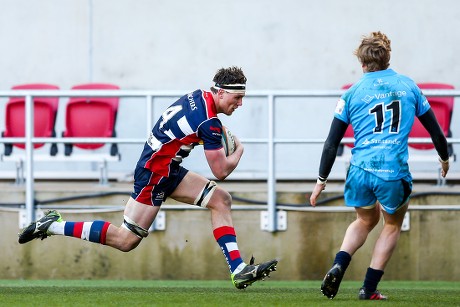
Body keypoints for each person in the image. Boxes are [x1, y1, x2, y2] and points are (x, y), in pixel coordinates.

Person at [18, 66, 278, 289]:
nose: (240, 104)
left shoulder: (198, 96)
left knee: (220, 200)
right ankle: (51, 225)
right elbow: (221, 171)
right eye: (237, 97)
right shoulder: (208, 122)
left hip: (166, 167)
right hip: (155, 172)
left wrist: (215, 133)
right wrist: (239, 150)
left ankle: (238, 269)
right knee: (125, 240)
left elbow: (192, 129)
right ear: (220, 92)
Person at [310, 32, 450, 300]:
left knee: (364, 219)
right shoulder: (409, 87)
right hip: (393, 171)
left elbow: (331, 143)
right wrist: (444, 160)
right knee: (391, 224)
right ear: (388, 58)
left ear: (362, 64)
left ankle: (340, 262)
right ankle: (369, 288)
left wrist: (320, 182)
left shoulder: (352, 93)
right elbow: (436, 133)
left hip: (360, 170)